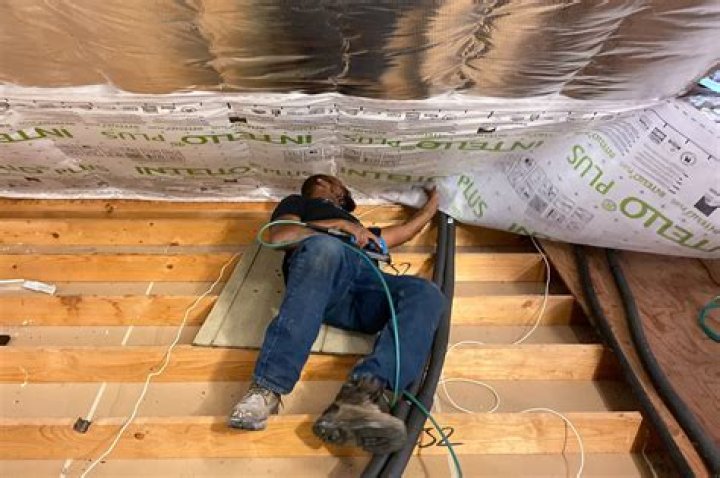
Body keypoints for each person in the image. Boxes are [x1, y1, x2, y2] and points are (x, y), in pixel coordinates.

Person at [228, 174, 446, 454]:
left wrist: (432, 205)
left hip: (366, 292)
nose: (342, 190)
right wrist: (340, 226)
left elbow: (404, 232)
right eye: (337, 185)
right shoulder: (299, 204)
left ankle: (360, 398)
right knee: (325, 247)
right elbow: (282, 235)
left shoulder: (359, 228)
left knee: (426, 292)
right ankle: (266, 389)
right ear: (321, 184)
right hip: (324, 286)